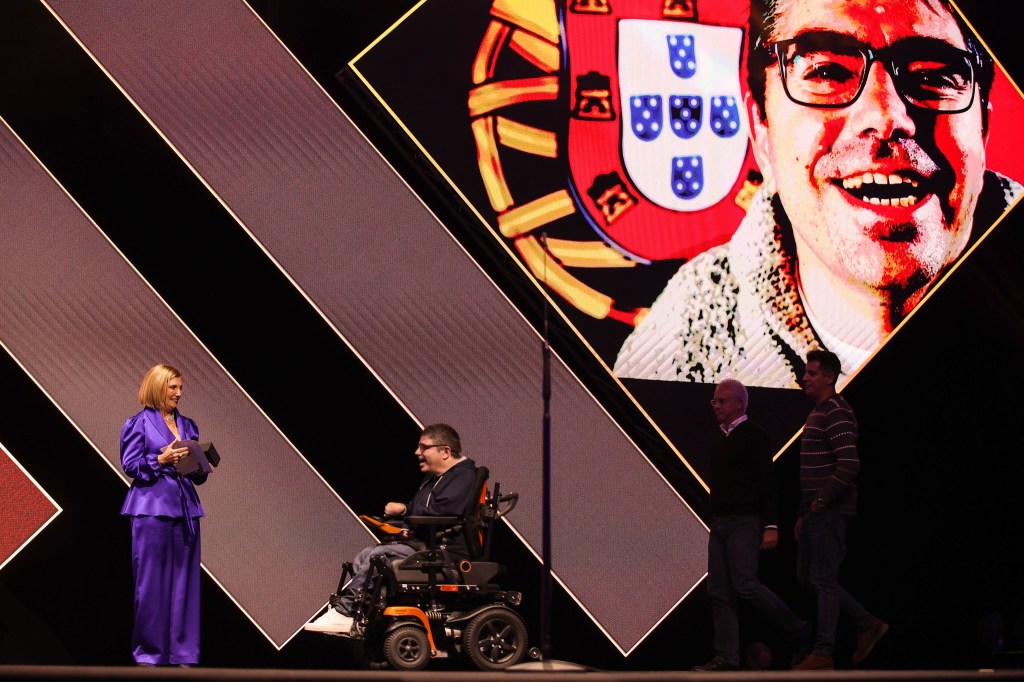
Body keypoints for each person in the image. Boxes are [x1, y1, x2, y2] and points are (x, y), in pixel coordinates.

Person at [613, 0, 1022, 389]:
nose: (885, 117)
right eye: (827, 72)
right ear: (761, 132)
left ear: (983, 127)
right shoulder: (670, 356)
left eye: (932, 77)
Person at [304, 423, 477, 635]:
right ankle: (361, 613)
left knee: (377, 557)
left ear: (445, 452)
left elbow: (443, 511)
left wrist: (409, 520)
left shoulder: (463, 476)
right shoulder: (433, 479)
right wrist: (405, 509)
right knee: (365, 555)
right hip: (422, 543)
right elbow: (421, 508)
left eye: (423, 447)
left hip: (443, 550)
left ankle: (346, 611)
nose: (417, 452)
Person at [692, 379, 809, 672]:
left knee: (744, 585)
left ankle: (797, 629)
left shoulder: (754, 436)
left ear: (739, 404)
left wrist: (771, 525)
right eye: (714, 401)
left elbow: (767, 483)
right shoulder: (722, 440)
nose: (716, 406)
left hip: (744, 522)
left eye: (721, 401)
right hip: (720, 524)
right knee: (718, 590)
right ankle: (727, 658)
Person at [791, 349, 887, 670]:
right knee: (809, 577)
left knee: (822, 578)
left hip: (829, 510)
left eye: (812, 373)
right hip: (815, 510)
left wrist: (821, 502)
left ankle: (824, 652)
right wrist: (805, 512)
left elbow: (849, 464)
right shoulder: (819, 411)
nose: (805, 378)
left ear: (829, 377)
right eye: (806, 372)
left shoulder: (835, 410)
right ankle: (867, 623)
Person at [120, 363, 208, 667]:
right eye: (173, 387)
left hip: (185, 508)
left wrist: (201, 466)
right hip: (151, 508)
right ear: (158, 387)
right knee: (151, 582)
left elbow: (194, 474)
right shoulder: (138, 423)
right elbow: (131, 466)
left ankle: (183, 653)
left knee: (185, 583)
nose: (179, 393)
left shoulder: (189, 425)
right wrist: (161, 459)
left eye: (181, 388)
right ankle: (150, 653)